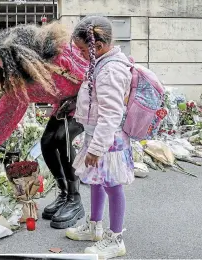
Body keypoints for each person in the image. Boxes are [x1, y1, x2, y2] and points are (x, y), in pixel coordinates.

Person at [0, 22, 89, 228]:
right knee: (47, 142)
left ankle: (75, 200)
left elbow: (94, 76)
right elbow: (0, 127)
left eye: (8, 64)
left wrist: (81, 102)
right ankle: (64, 193)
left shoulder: (62, 55)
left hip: (89, 101)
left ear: (24, 55)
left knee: (62, 137)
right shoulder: (17, 87)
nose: (6, 71)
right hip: (65, 105)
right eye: (0, 67)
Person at [64, 16, 135, 259]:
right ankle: (95, 226)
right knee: (96, 180)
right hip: (98, 135)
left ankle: (116, 238)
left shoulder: (110, 70)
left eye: (84, 50)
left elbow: (112, 113)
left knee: (112, 185)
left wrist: (96, 148)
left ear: (99, 46)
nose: (82, 55)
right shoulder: (102, 63)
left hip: (108, 139)